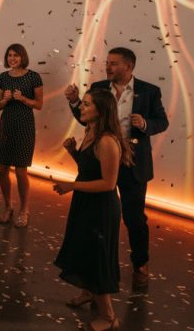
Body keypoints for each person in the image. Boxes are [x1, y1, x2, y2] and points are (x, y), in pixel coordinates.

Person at [65, 46, 168, 289]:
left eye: (113, 63)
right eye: (107, 62)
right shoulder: (99, 88)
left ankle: (140, 263)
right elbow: (85, 117)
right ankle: (92, 277)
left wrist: (144, 123)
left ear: (128, 66)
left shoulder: (149, 91)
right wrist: (74, 101)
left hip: (133, 163)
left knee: (134, 218)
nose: (107, 67)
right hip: (101, 159)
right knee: (95, 217)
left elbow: (162, 121)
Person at [54, 89, 136, 331]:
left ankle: (109, 318)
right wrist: (73, 153)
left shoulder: (107, 141)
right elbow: (90, 168)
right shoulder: (90, 132)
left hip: (100, 208)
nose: (81, 107)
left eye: (87, 104)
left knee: (96, 258)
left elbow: (108, 183)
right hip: (86, 203)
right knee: (84, 251)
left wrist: (71, 185)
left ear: (100, 111)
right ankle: (88, 293)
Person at [0, 43, 44, 228]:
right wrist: (6, 99)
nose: (12, 58)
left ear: (23, 57)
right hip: (6, 124)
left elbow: (39, 104)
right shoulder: (3, 77)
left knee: (21, 170)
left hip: (24, 124)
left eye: (16, 55)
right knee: (2, 168)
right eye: (9, 55)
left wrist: (23, 99)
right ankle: (8, 207)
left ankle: (25, 209)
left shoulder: (33, 77)